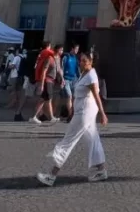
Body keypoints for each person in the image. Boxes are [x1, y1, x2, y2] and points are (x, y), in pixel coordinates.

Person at [37, 52, 108, 186]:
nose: (81, 63)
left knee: (68, 140)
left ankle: (51, 175)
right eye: (80, 61)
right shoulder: (84, 74)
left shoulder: (91, 75)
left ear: (91, 62)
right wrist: (72, 111)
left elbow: (97, 96)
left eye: (84, 61)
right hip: (83, 111)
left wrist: (103, 114)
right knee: (93, 140)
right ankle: (101, 170)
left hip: (85, 113)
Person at [31, 41, 59, 124]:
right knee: (45, 99)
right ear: (48, 46)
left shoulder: (42, 54)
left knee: (46, 99)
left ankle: (49, 117)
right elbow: (55, 53)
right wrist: (42, 84)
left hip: (45, 79)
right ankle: (36, 117)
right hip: (46, 80)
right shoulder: (47, 54)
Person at [60, 43, 80, 122]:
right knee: (69, 96)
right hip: (66, 79)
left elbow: (77, 70)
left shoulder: (75, 58)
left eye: (78, 49)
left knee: (74, 97)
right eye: (76, 49)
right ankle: (70, 114)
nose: (77, 51)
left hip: (74, 80)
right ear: (72, 49)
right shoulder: (66, 57)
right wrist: (62, 79)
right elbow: (62, 68)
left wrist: (79, 78)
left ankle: (72, 114)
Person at [11, 48, 28, 121]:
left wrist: (9, 66)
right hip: (22, 76)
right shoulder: (23, 57)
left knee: (14, 89)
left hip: (15, 75)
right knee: (19, 91)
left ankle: (14, 103)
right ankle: (16, 106)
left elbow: (12, 66)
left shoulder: (16, 57)